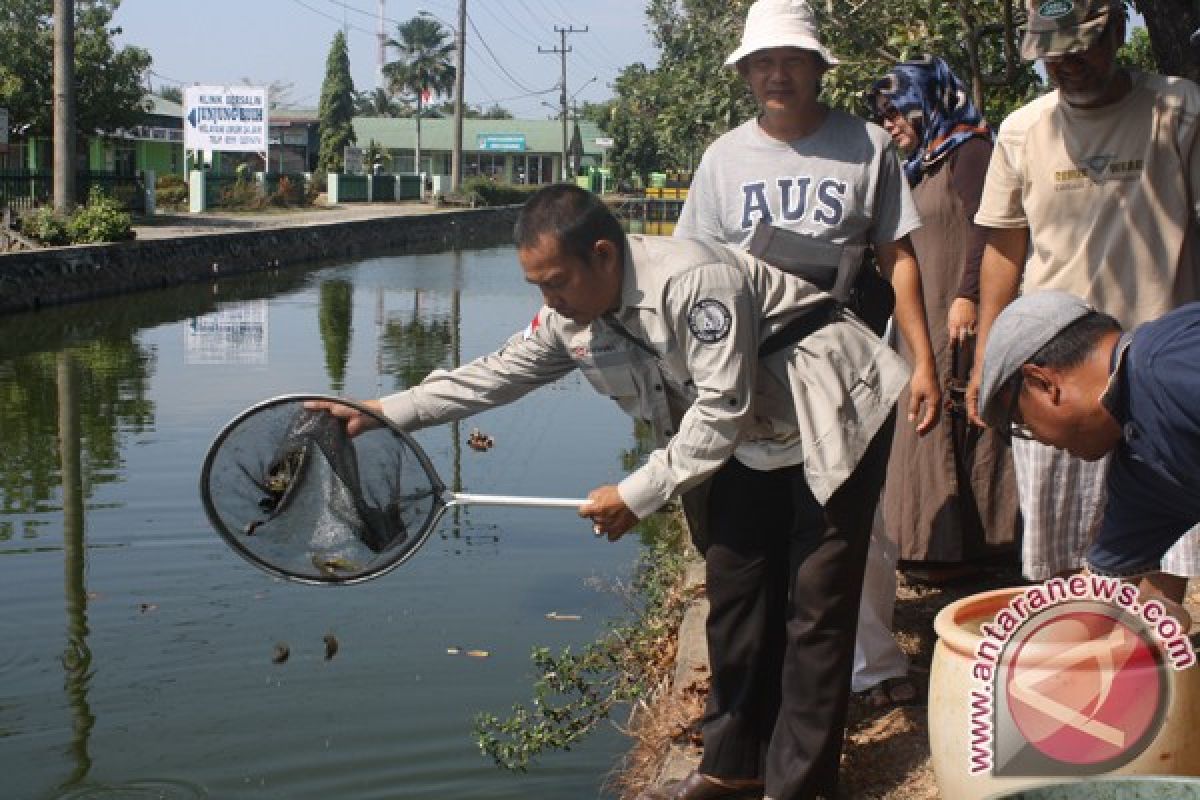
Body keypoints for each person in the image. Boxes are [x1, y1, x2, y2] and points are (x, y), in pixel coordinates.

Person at [322, 184, 909, 800]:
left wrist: (636, 493)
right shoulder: (571, 318)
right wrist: (383, 410)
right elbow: (492, 378)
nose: (550, 300)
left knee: (814, 609)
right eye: (538, 288)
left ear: (604, 255)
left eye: (558, 282)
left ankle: (800, 787)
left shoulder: (693, 282)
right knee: (736, 596)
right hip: (749, 434)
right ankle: (733, 768)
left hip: (832, 409)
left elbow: (719, 412)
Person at [673, 0, 939, 714]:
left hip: (845, 379)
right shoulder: (723, 160)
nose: (778, 74)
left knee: (846, 545)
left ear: (820, 67)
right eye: (763, 62)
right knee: (752, 557)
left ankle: (856, 683)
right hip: (751, 384)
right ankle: (761, 713)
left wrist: (923, 361)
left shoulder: (865, 147)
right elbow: (689, 270)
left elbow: (899, 258)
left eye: (792, 60)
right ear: (746, 73)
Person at [965, 0, 1200, 601]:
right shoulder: (1024, 130)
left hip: (1158, 380)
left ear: (1119, 31)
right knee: (1063, 561)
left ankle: (1154, 675)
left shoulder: (1178, 110)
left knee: (1159, 558)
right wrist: (988, 359)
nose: (1067, 62)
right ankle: (1078, 671)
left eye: (1084, 45)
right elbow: (1003, 251)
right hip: (1051, 380)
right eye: (1052, 51)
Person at [865, 57, 1020, 574]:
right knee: (924, 414)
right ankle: (927, 544)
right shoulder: (918, 163)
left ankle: (979, 547)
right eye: (882, 116)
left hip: (958, 307)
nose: (889, 124)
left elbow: (992, 226)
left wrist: (970, 293)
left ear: (924, 101)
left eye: (895, 112)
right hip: (922, 312)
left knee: (964, 416)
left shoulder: (970, 149)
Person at [976, 291, 1200, 594]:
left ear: (1043, 384)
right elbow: (1097, 591)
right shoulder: (1139, 464)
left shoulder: (1172, 367)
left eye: (1022, 423)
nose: (1039, 439)